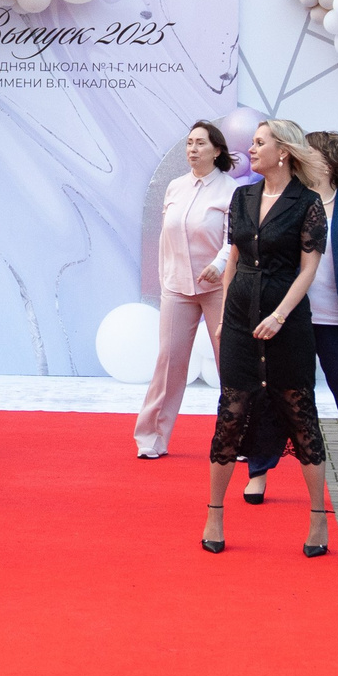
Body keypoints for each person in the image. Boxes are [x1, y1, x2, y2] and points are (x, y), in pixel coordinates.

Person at [198, 119, 329, 557]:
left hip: (286, 323)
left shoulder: (307, 203)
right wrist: (222, 317)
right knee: (231, 414)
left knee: (299, 413)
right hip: (238, 320)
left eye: (259, 143)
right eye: (252, 143)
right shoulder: (242, 196)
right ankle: (214, 513)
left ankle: (316, 520)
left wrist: (279, 315)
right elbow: (233, 257)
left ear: (284, 152)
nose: (251, 150)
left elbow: (308, 269)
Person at [248, 129, 338, 512]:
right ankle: (259, 472)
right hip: (287, 318)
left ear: (329, 161)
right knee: (272, 397)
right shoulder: (287, 201)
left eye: (308, 153)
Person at [134, 121, 239, 460]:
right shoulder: (175, 186)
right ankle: (152, 438)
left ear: (217, 150)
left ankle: (242, 438)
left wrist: (220, 265)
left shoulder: (231, 189)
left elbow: (233, 238)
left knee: (232, 362)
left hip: (217, 288)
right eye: (189, 143)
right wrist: (167, 277)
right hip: (177, 287)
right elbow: (166, 238)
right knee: (169, 362)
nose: (192, 149)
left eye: (200, 143)